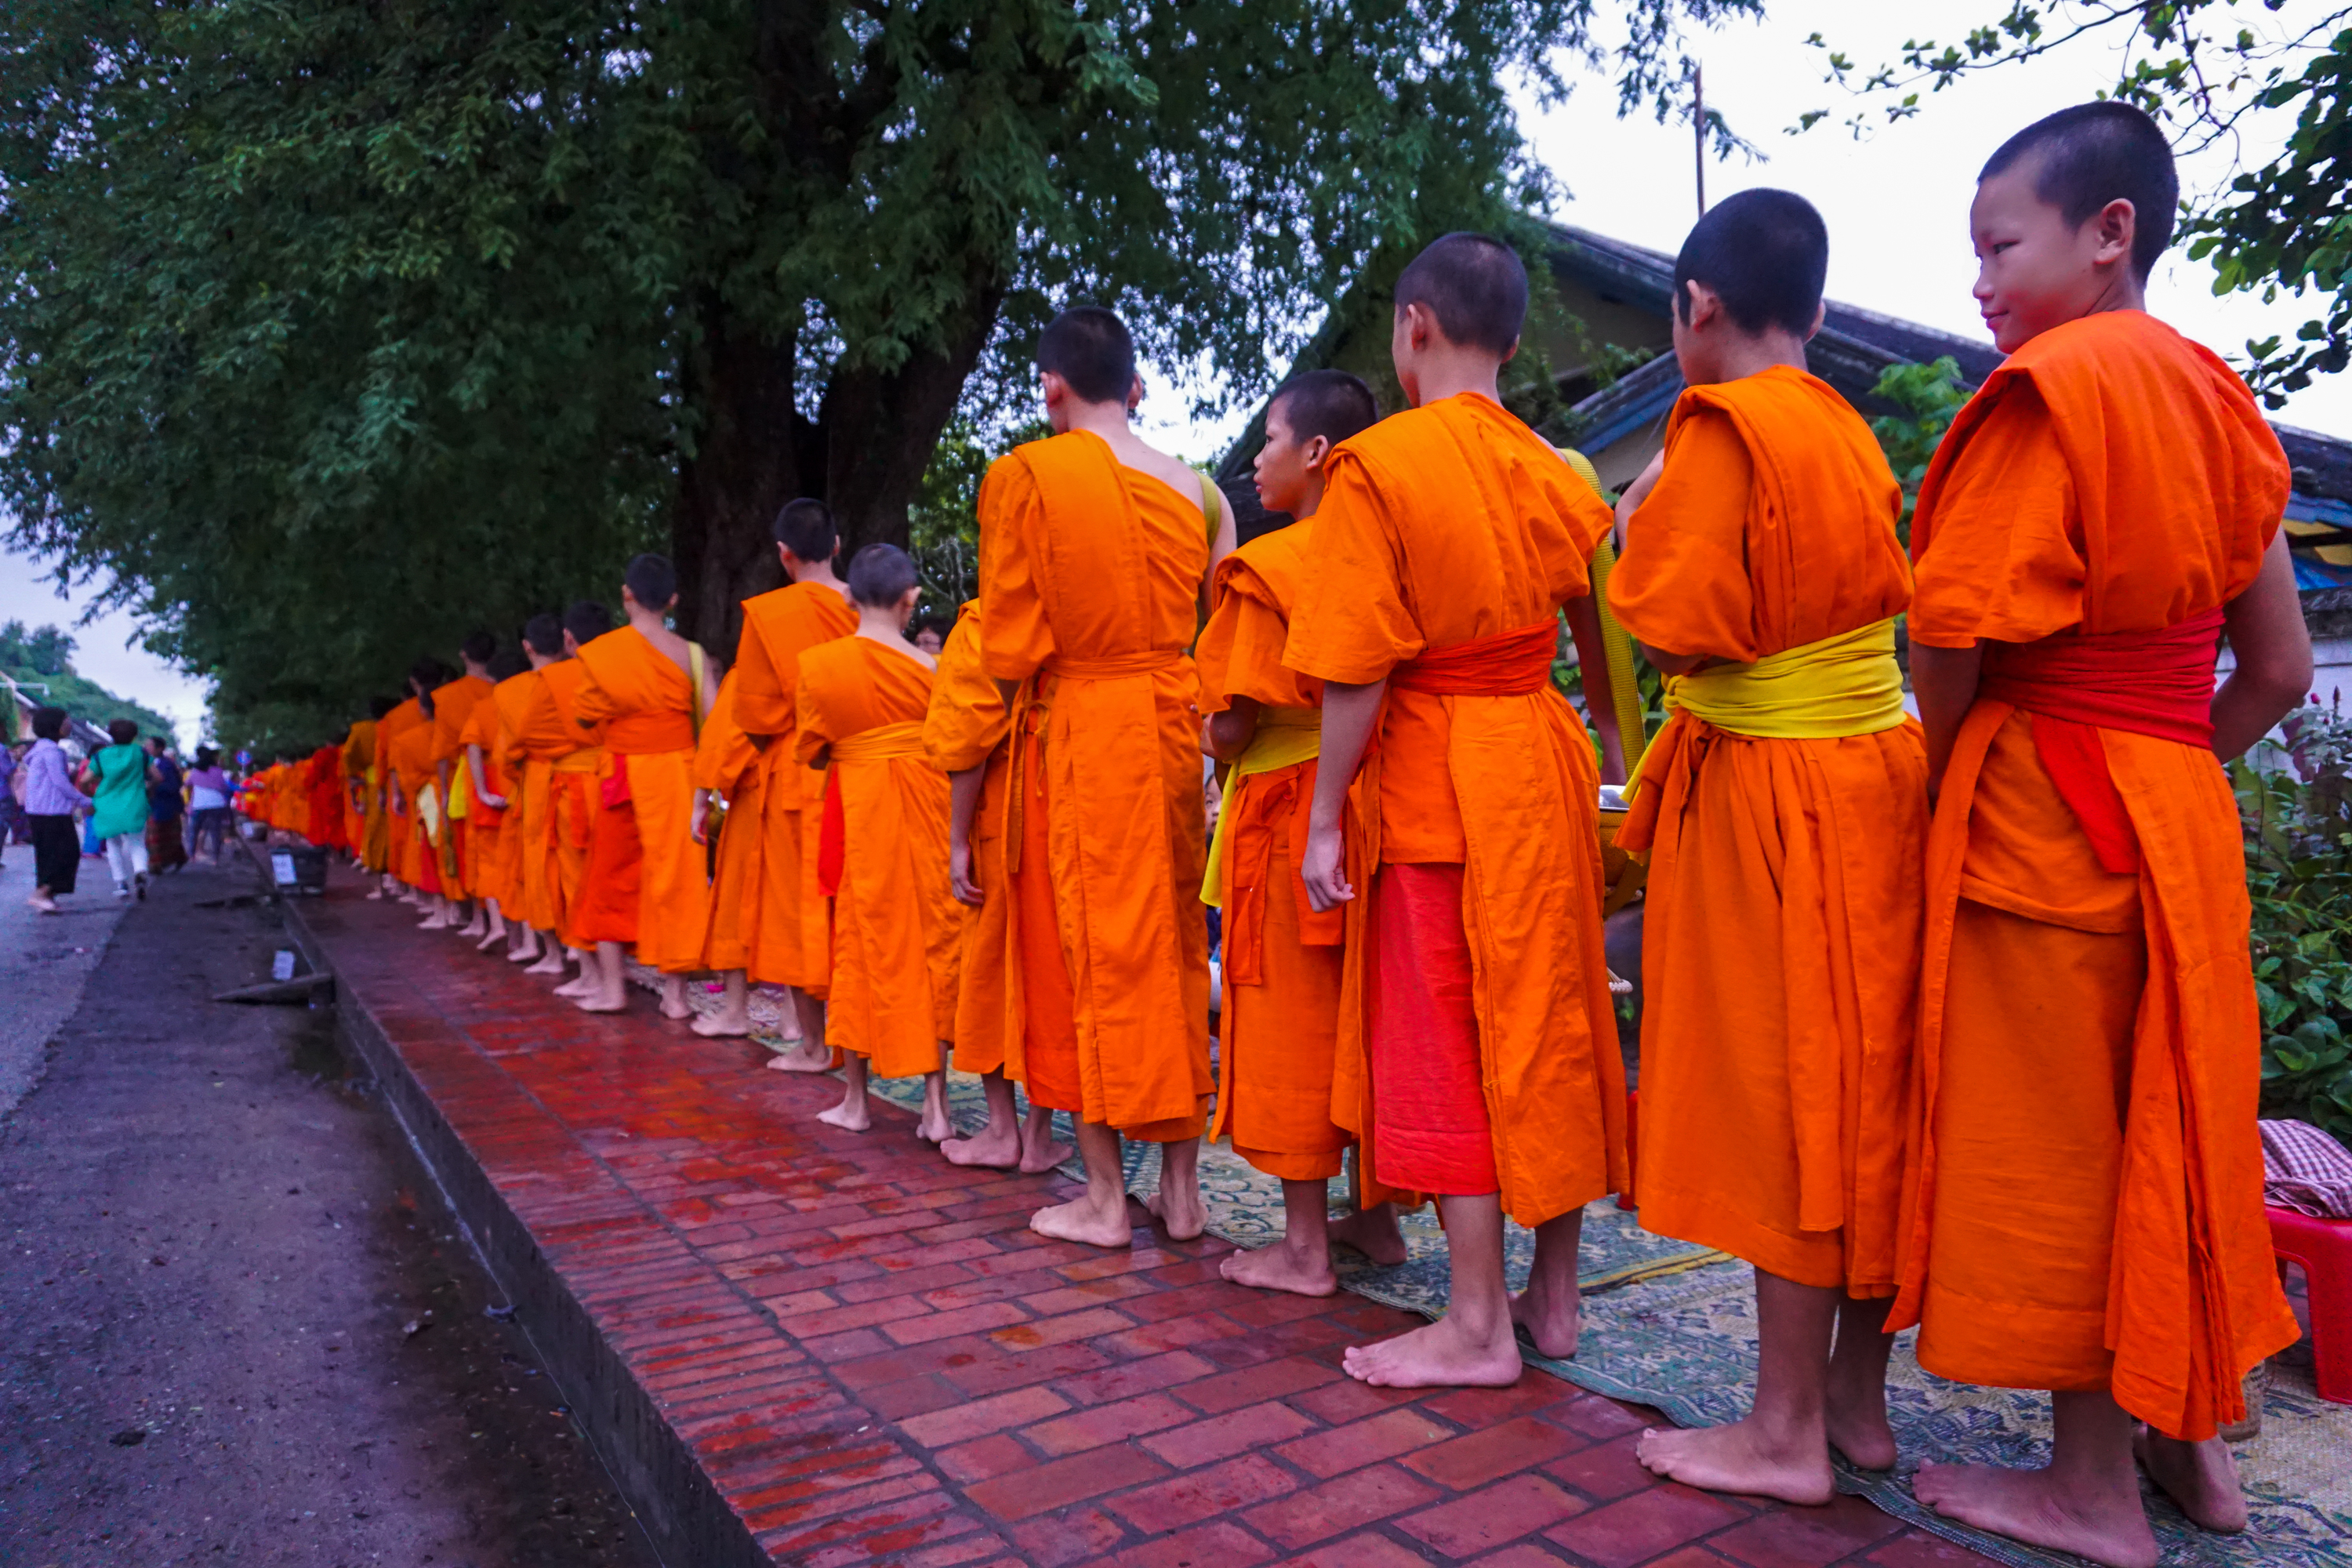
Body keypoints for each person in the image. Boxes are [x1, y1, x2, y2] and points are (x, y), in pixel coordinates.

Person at [1886, 104, 2311, 1568]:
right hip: (2172, 808)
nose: (1981, 284)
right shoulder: (2225, 403)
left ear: (2108, 230)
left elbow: (1948, 636)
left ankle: (2085, 1490)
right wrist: (2170, 767)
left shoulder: (2042, 395)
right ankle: (2192, 1449)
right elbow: (2280, 670)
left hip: (2042, 799)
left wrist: (1945, 777)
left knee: (2063, 1143)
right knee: (2172, 1121)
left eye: (2001, 244)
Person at [1591, 190, 1924, 1502]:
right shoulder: (1847, 431)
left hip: (1773, 790)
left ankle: (1783, 1432)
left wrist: (1636, 520)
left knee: (1787, 1098)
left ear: (1699, 309)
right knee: (1863, 1087)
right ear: (1823, 311)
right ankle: (1853, 1401)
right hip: (1873, 773)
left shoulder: (1718, 431)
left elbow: (1672, 628)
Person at [1287, 233, 1629, 1388]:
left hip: (1438, 763)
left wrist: (1326, 813)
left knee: (1450, 1032)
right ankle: (1558, 1296)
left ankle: (1477, 1322)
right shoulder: (1559, 469)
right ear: (1517, 341)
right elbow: (1595, 624)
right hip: (1537, 754)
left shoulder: (1379, 468)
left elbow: (1357, 668)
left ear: (1414, 325)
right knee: (1554, 1019)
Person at [978, 304, 1235, 1247]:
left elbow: (1008, 646)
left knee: (1083, 947)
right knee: (1171, 945)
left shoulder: (1028, 476)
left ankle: (1100, 1197)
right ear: (1135, 384)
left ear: (1050, 387)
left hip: (1083, 719)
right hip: (1173, 726)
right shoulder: (1202, 491)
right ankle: (1182, 1191)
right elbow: (1229, 630)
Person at [1199, 368, 1406, 1297]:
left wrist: (1208, 728)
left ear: (1320, 453)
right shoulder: (1390, 552)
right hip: (1378, 795)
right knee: (1366, 1007)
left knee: (1288, 1009)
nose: (1257, 460)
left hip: (1288, 798)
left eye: (1271, 440)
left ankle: (1304, 1247)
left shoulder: (1269, 569)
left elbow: (1236, 723)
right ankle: (1375, 1217)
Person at [794, 544, 962, 1135]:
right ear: (911, 598)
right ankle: (937, 1109)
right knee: (931, 943)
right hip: (927, 811)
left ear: (846, 596)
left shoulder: (818, 666)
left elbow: (812, 751)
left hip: (859, 813)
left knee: (859, 945)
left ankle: (857, 1102)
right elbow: (953, 746)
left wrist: (858, 747)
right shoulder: (934, 671)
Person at [928, 601, 1069, 1174]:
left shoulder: (988, 622)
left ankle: (1001, 1130)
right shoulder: (1077, 606)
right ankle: (1040, 1134)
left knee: (988, 965)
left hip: (1002, 811)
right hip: (1065, 800)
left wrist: (957, 839)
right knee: (1051, 966)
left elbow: (968, 741)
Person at [731, 499, 858, 1069]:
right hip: (867, 766)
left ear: (783, 555)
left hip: (798, 770)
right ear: (837, 546)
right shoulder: (868, 603)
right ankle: (873, 1038)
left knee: (802, 909)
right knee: (859, 906)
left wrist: (788, 746)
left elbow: (754, 716)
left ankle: (815, 1045)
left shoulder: (769, 615)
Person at [569, 558, 716, 1017]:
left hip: (621, 775)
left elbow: (584, 715)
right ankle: (675, 997)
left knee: (608, 879)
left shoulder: (603, 653)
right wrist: (705, 790)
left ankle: (613, 989)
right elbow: (713, 722)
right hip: (676, 773)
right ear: (673, 600)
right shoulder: (691, 654)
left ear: (626, 594)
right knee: (676, 882)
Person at [543, 602, 614, 996]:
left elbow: (525, 738)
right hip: (620, 779)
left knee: (576, 880)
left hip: (574, 785)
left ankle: (593, 974)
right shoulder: (629, 665)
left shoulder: (556, 679)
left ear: (569, 638)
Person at [500, 613, 577, 973]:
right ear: (565, 642)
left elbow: (508, 752)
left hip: (535, 782)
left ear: (527, 648)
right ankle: (582, 946)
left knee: (540, 869)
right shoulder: (580, 676)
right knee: (576, 866)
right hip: (580, 779)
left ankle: (553, 953)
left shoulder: (510, 692)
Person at [688, 662, 761, 1036]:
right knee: (796, 907)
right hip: (817, 795)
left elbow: (726, 737)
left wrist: (701, 797)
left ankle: (735, 1011)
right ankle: (797, 1021)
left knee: (735, 898)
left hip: (760, 796)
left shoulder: (756, 668)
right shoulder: (839, 652)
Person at [460, 642, 530, 954]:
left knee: (493, 861)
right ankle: (535, 940)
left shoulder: (488, 706)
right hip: (532, 783)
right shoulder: (538, 697)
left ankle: (503, 929)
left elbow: (473, 747)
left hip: (495, 784)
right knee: (529, 864)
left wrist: (482, 790)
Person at [427, 632, 498, 935]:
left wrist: (444, 792)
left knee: (474, 848)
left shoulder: (447, 697)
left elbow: (443, 751)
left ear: (464, 656)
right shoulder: (502, 688)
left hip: (468, 776)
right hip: (506, 770)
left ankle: (482, 921)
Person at [23, 707, 92, 913]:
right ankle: (42, 893)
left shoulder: (39, 749)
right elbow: (61, 783)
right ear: (56, 726)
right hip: (52, 810)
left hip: (40, 809)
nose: (70, 725)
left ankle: (46, 895)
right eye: (66, 721)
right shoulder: (52, 751)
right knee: (66, 852)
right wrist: (85, 801)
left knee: (48, 853)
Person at [86, 718, 153, 901]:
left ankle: (121, 884)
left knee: (113, 845)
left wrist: (91, 798)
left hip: (108, 805)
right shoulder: (141, 753)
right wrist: (148, 791)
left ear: (110, 735)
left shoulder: (101, 756)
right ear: (135, 735)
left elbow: (85, 780)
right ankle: (140, 872)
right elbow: (158, 777)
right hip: (135, 803)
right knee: (137, 843)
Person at [187, 747, 234, 862]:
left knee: (194, 831)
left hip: (199, 804)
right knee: (215, 832)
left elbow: (187, 783)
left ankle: (192, 856)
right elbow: (223, 787)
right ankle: (215, 859)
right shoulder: (218, 771)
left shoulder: (195, 771)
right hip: (217, 804)